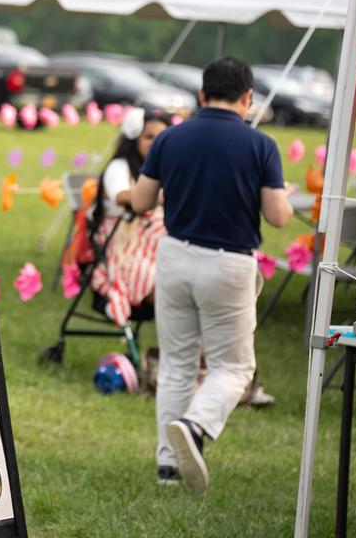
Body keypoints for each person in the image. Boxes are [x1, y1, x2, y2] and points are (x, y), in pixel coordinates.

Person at [131, 57, 293, 492]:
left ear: (201, 95)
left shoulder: (169, 138)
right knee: (234, 367)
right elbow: (278, 217)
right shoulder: (261, 145)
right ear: (248, 97)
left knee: (177, 365)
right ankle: (196, 425)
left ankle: (168, 466)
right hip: (229, 262)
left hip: (176, 255)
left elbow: (142, 201)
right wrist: (287, 197)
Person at [89, 107, 170, 326]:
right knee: (159, 278)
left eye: (160, 138)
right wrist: (159, 195)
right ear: (135, 138)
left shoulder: (165, 167)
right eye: (148, 137)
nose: (155, 143)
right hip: (122, 243)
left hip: (153, 240)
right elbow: (120, 196)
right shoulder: (120, 166)